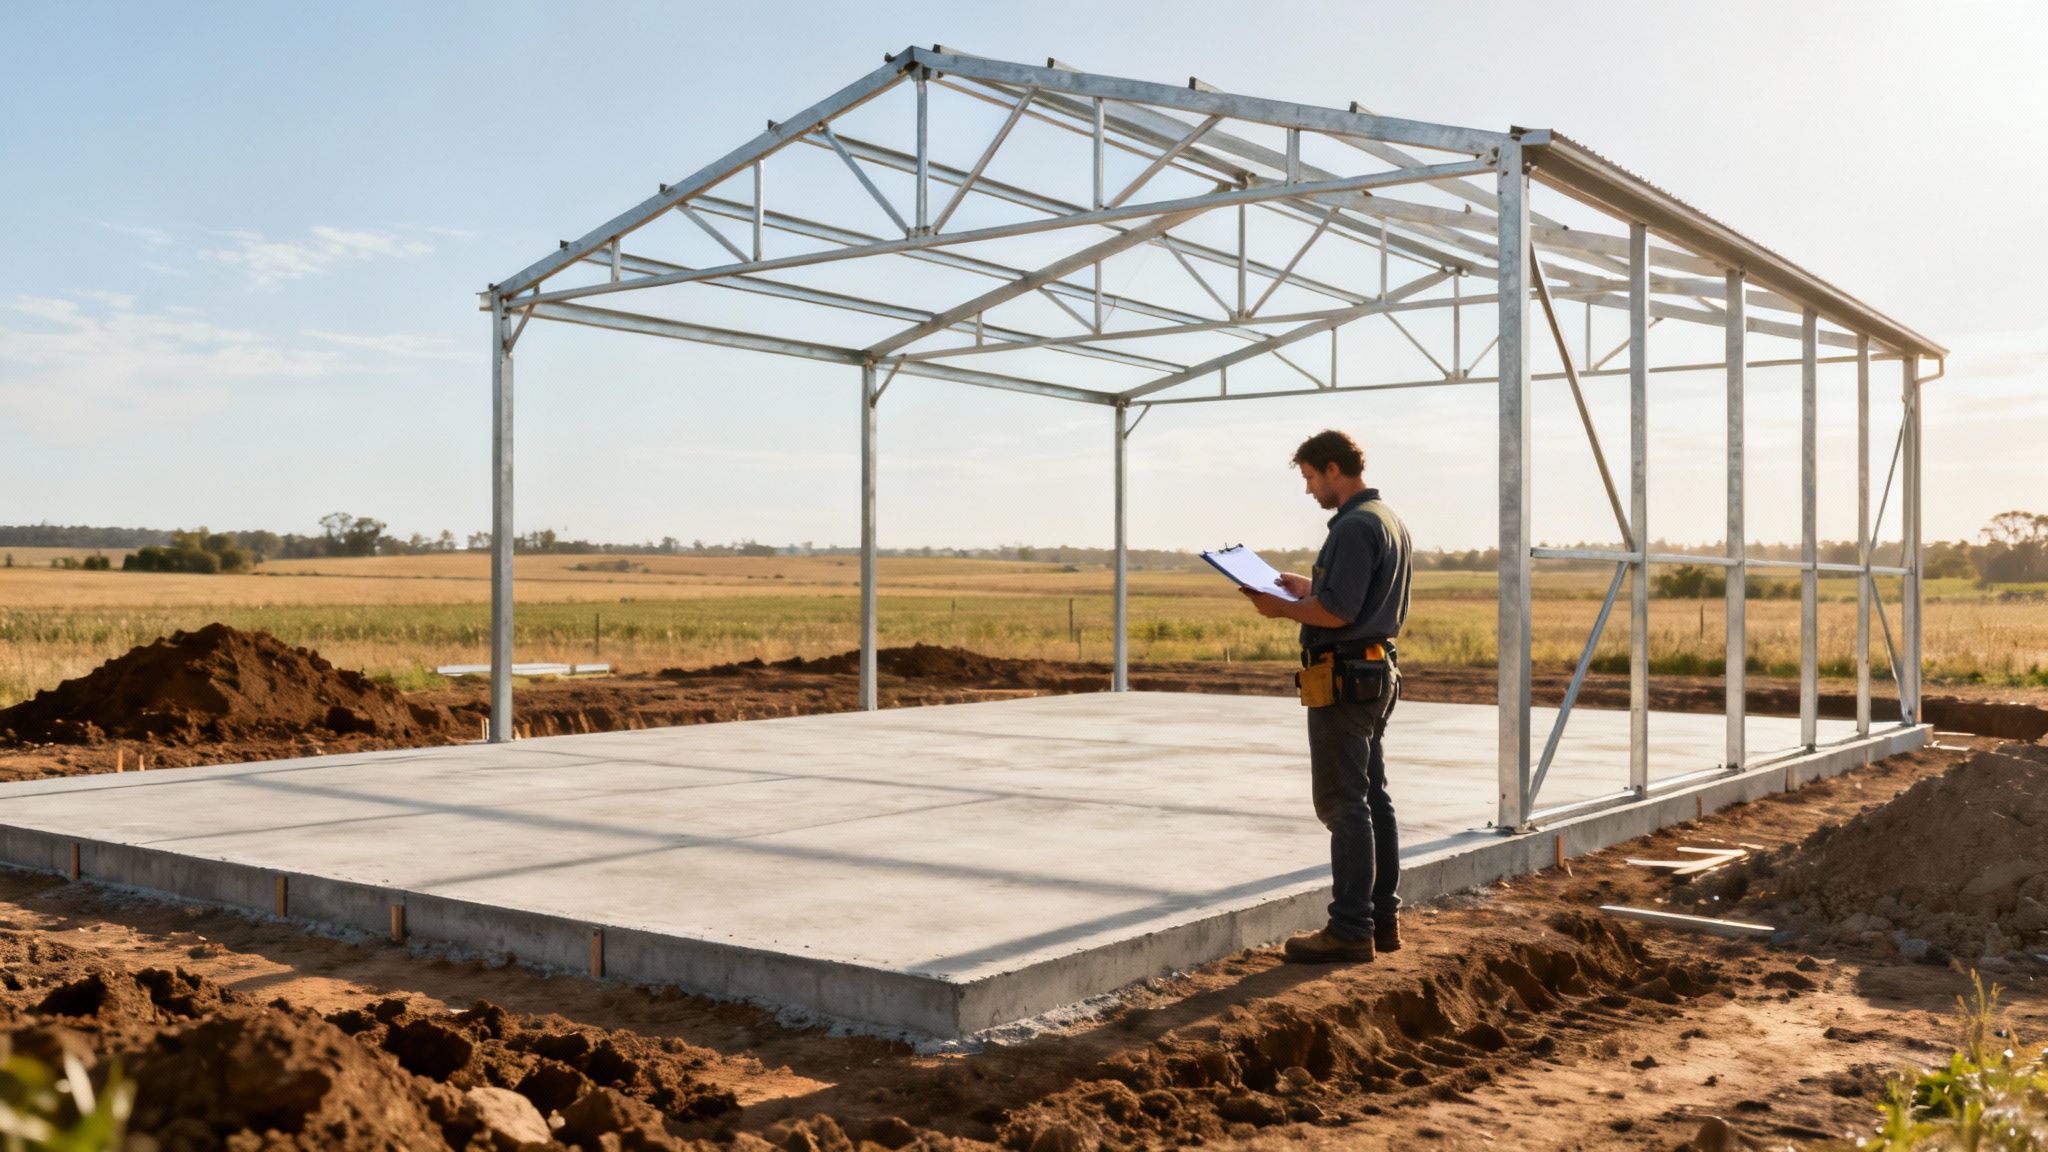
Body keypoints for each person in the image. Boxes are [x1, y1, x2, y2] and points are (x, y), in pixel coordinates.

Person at [1239, 429, 1412, 963]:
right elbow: (1346, 598)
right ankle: (1381, 920)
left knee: (1343, 804)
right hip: (1373, 672)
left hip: (1346, 679)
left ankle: (1350, 928)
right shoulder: (1387, 520)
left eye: (1311, 477)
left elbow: (1337, 614)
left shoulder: (1356, 527)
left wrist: (1283, 608)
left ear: (1334, 469)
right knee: (1371, 798)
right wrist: (1303, 588)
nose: (1310, 488)